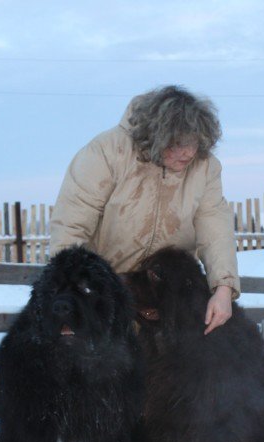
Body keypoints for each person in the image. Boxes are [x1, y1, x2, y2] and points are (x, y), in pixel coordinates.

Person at [49, 85, 240, 334]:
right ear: (157, 136)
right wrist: (70, 293)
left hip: (167, 301)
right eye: (179, 143)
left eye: (195, 142)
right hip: (105, 294)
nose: (189, 152)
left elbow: (215, 227)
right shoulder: (106, 152)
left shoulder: (206, 167)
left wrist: (224, 288)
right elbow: (71, 226)